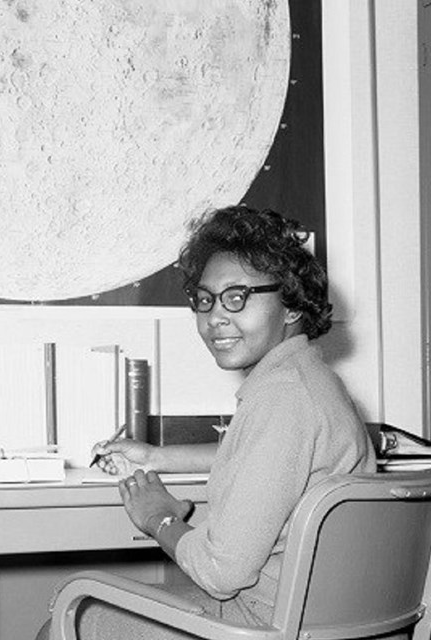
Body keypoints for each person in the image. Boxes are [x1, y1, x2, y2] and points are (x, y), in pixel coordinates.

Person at [37, 205, 376, 639]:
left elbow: (221, 572)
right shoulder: (307, 381)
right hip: (314, 621)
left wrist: (159, 519)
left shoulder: (282, 396)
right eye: (204, 299)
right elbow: (258, 456)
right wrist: (155, 457)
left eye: (237, 297)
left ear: (291, 305)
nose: (214, 316)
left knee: (68, 618)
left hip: (263, 626)